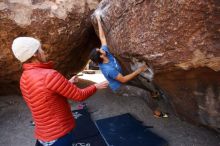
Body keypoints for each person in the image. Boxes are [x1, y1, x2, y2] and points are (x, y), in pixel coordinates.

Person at [11, 37, 108, 146]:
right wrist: (96, 86)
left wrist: (67, 83)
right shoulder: (50, 75)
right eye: (40, 49)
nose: (43, 52)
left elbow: (45, 94)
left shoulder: (23, 78)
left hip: (43, 135)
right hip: (59, 134)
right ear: (34, 54)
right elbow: (79, 96)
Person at [90, 15, 168, 118]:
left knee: (140, 83)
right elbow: (122, 80)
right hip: (119, 87)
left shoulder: (106, 53)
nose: (101, 48)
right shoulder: (108, 69)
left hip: (121, 77)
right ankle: (157, 113)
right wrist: (139, 70)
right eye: (99, 50)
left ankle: (152, 94)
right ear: (101, 56)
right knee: (142, 93)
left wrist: (99, 21)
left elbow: (102, 37)